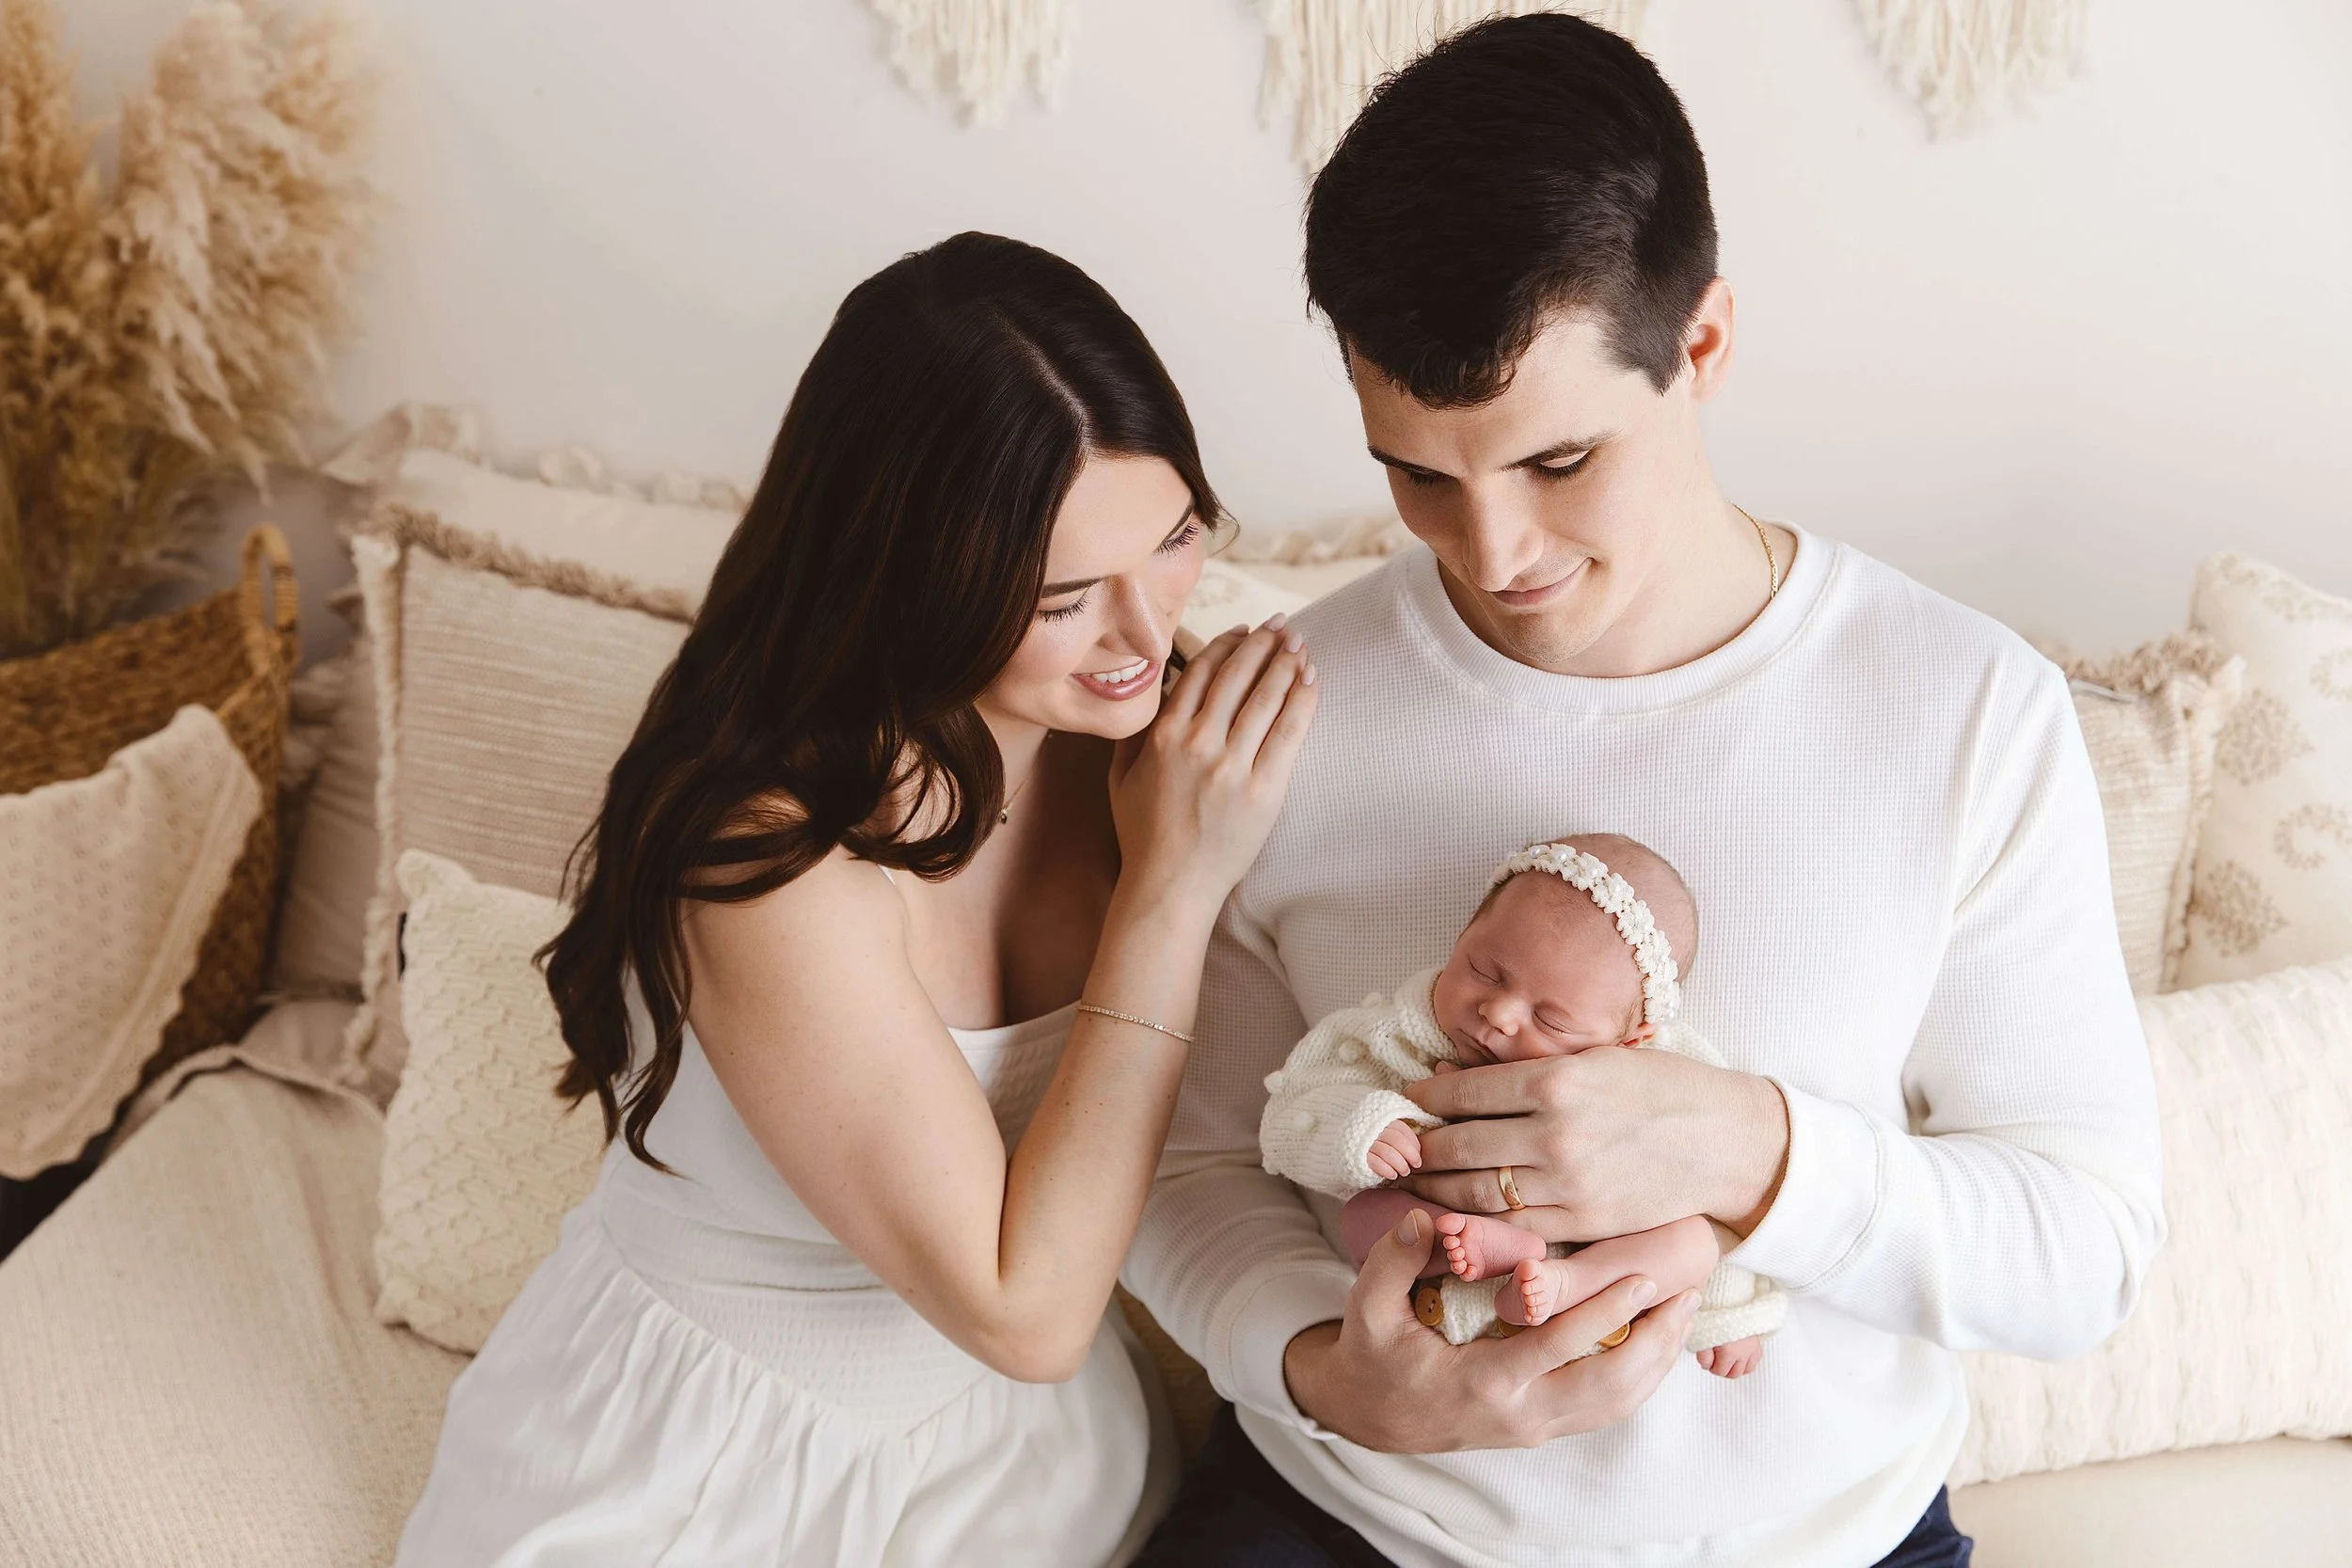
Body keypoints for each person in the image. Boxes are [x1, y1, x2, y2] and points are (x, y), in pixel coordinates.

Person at [1124, 15, 2164, 1568]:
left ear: (1706, 345)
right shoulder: (1278, 711)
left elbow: (2084, 1248)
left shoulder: (1964, 709)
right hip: (1346, 1510)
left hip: (1826, 1539)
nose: (1492, 555)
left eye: (1557, 463)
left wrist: (1753, 1152)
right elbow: (1193, 1163)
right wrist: (1325, 1372)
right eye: (1419, 474)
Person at [394, 231, 1320, 1566]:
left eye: (1175, 538)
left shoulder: (1151, 730)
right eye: (1064, 597)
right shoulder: (770, 857)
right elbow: (1027, 1312)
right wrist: (1171, 887)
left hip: (1028, 1455)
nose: (1143, 631)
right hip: (712, 1461)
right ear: (916, 575)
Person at [1259, 832, 1784, 1371]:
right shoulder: (1394, 1036)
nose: (1499, 1014)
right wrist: (1361, 1127)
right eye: (1484, 971)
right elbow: (1294, 1109)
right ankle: (1493, 1245)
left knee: (1695, 1241)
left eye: (1551, 1021)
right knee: (1367, 1217)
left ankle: (1569, 1279)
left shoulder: (1665, 1080)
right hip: (1440, 1264)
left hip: (1589, 1287)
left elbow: (1706, 1183)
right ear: (1463, 935)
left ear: (1630, 1041)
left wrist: (1733, 1310)